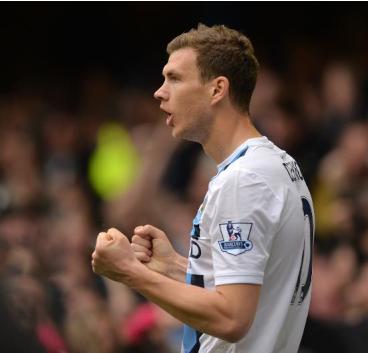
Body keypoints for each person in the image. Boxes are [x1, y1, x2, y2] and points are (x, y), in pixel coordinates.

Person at [91, 23, 314, 353]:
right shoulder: (277, 164)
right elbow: (254, 287)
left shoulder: (244, 180)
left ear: (217, 89)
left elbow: (232, 319)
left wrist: (129, 272)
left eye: (175, 78)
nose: (159, 91)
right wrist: (177, 267)